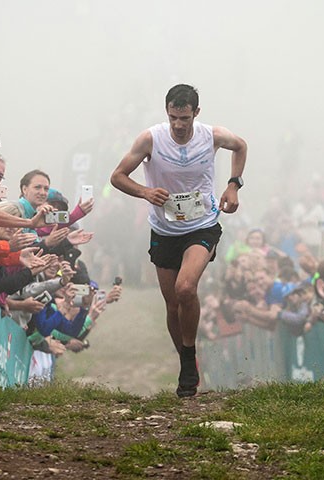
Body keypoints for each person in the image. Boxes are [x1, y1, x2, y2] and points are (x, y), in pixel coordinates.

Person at [110, 84, 247, 397]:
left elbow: (240, 147)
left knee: (186, 288)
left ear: (196, 113)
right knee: (172, 304)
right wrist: (145, 192)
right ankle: (188, 359)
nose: (179, 125)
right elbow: (117, 176)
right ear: (166, 113)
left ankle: (188, 357)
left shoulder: (212, 135)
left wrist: (233, 185)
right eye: (173, 117)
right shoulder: (150, 139)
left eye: (184, 118)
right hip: (165, 229)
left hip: (202, 225)